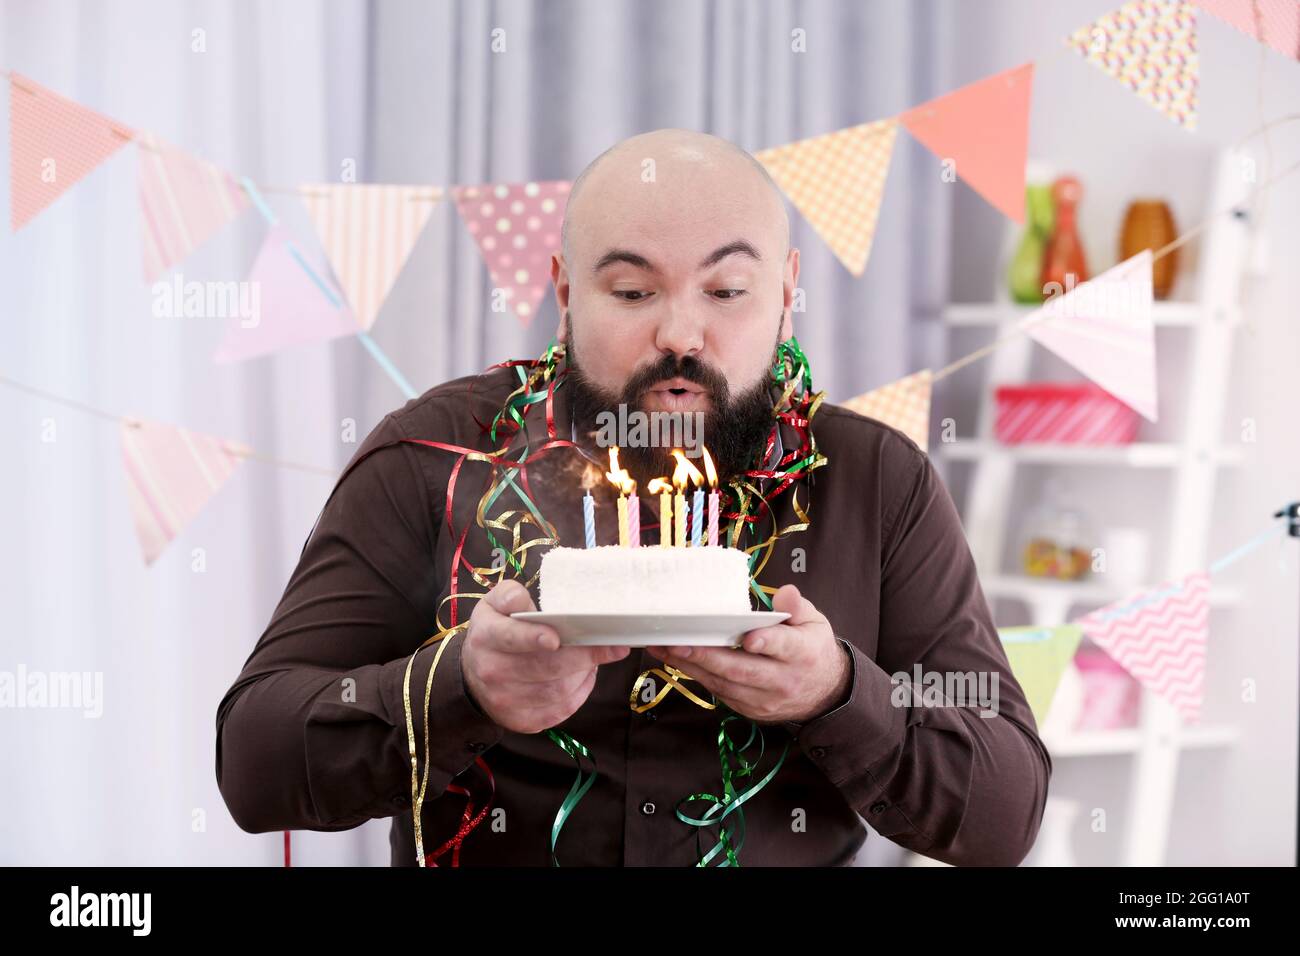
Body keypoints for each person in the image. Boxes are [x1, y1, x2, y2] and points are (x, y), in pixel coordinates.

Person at [215, 128, 1051, 866]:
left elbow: (1005, 812)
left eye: (726, 292)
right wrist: (461, 685)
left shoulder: (873, 479)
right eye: (632, 291)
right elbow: (254, 761)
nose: (681, 335)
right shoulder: (435, 454)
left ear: (789, 290)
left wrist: (835, 695)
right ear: (567, 292)